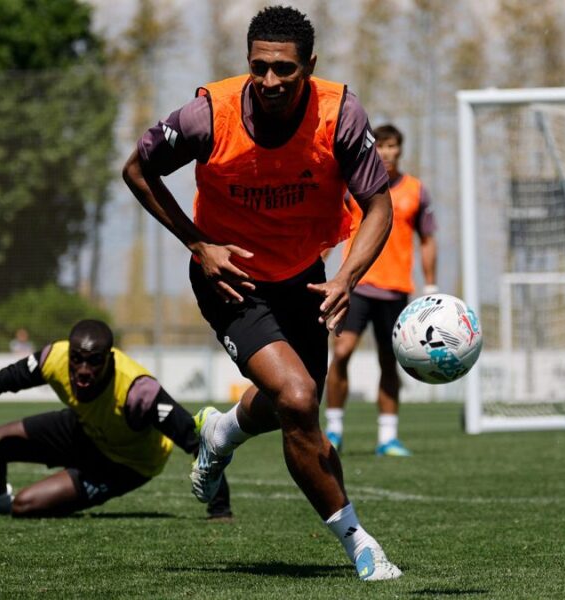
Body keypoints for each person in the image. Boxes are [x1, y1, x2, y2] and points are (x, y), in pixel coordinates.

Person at [122, 5, 401, 581]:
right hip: (231, 281)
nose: (270, 81)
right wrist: (199, 245)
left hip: (306, 277)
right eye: (259, 68)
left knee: (294, 405)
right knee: (298, 400)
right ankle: (359, 544)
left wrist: (347, 276)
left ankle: (220, 431)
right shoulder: (206, 117)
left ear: (310, 66)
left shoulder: (340, 116)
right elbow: (138, 171)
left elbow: (379, 206)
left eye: (285, 70)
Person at [0, 319, 231, 520]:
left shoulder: (137, 391)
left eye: (93, 362)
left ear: (109, 359)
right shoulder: (54, 358)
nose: (83, 370)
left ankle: (13, 503)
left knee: (26, 506)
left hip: (125, 464)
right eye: (78, 360)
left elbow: (198, 441)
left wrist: (220, 510)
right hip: (83, 430)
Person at [324, 124, 437, 457]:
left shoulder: (416, 190)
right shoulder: (354, 186)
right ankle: (334, 430)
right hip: (356, 285)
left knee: (390, 362)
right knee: (341, 354)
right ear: (374, 150)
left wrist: (431, 284)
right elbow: (332, 227)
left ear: (401, 150)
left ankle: (388, 437)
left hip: (396, 290)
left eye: (393, 146)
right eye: (382, 146)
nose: (388, 153)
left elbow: (428, 239)